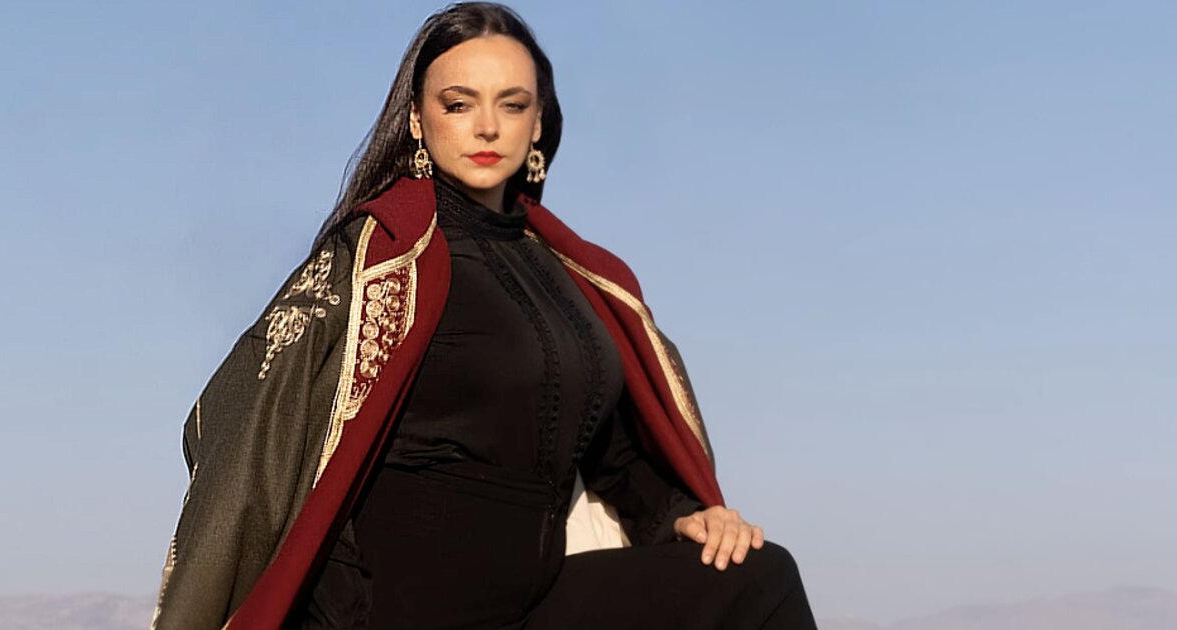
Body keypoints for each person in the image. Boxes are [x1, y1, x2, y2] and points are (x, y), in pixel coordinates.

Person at [149, 3, 817, 629]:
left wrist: (683, 516)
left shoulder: (575, 275)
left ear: (538, 123)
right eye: (459, 103)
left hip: (533, 597)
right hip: (401, 604)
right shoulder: (382, 255)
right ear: (417, 119)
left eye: (512, 104)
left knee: (758, 577)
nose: (488, 126)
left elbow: (613, 452)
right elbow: (254, 413)